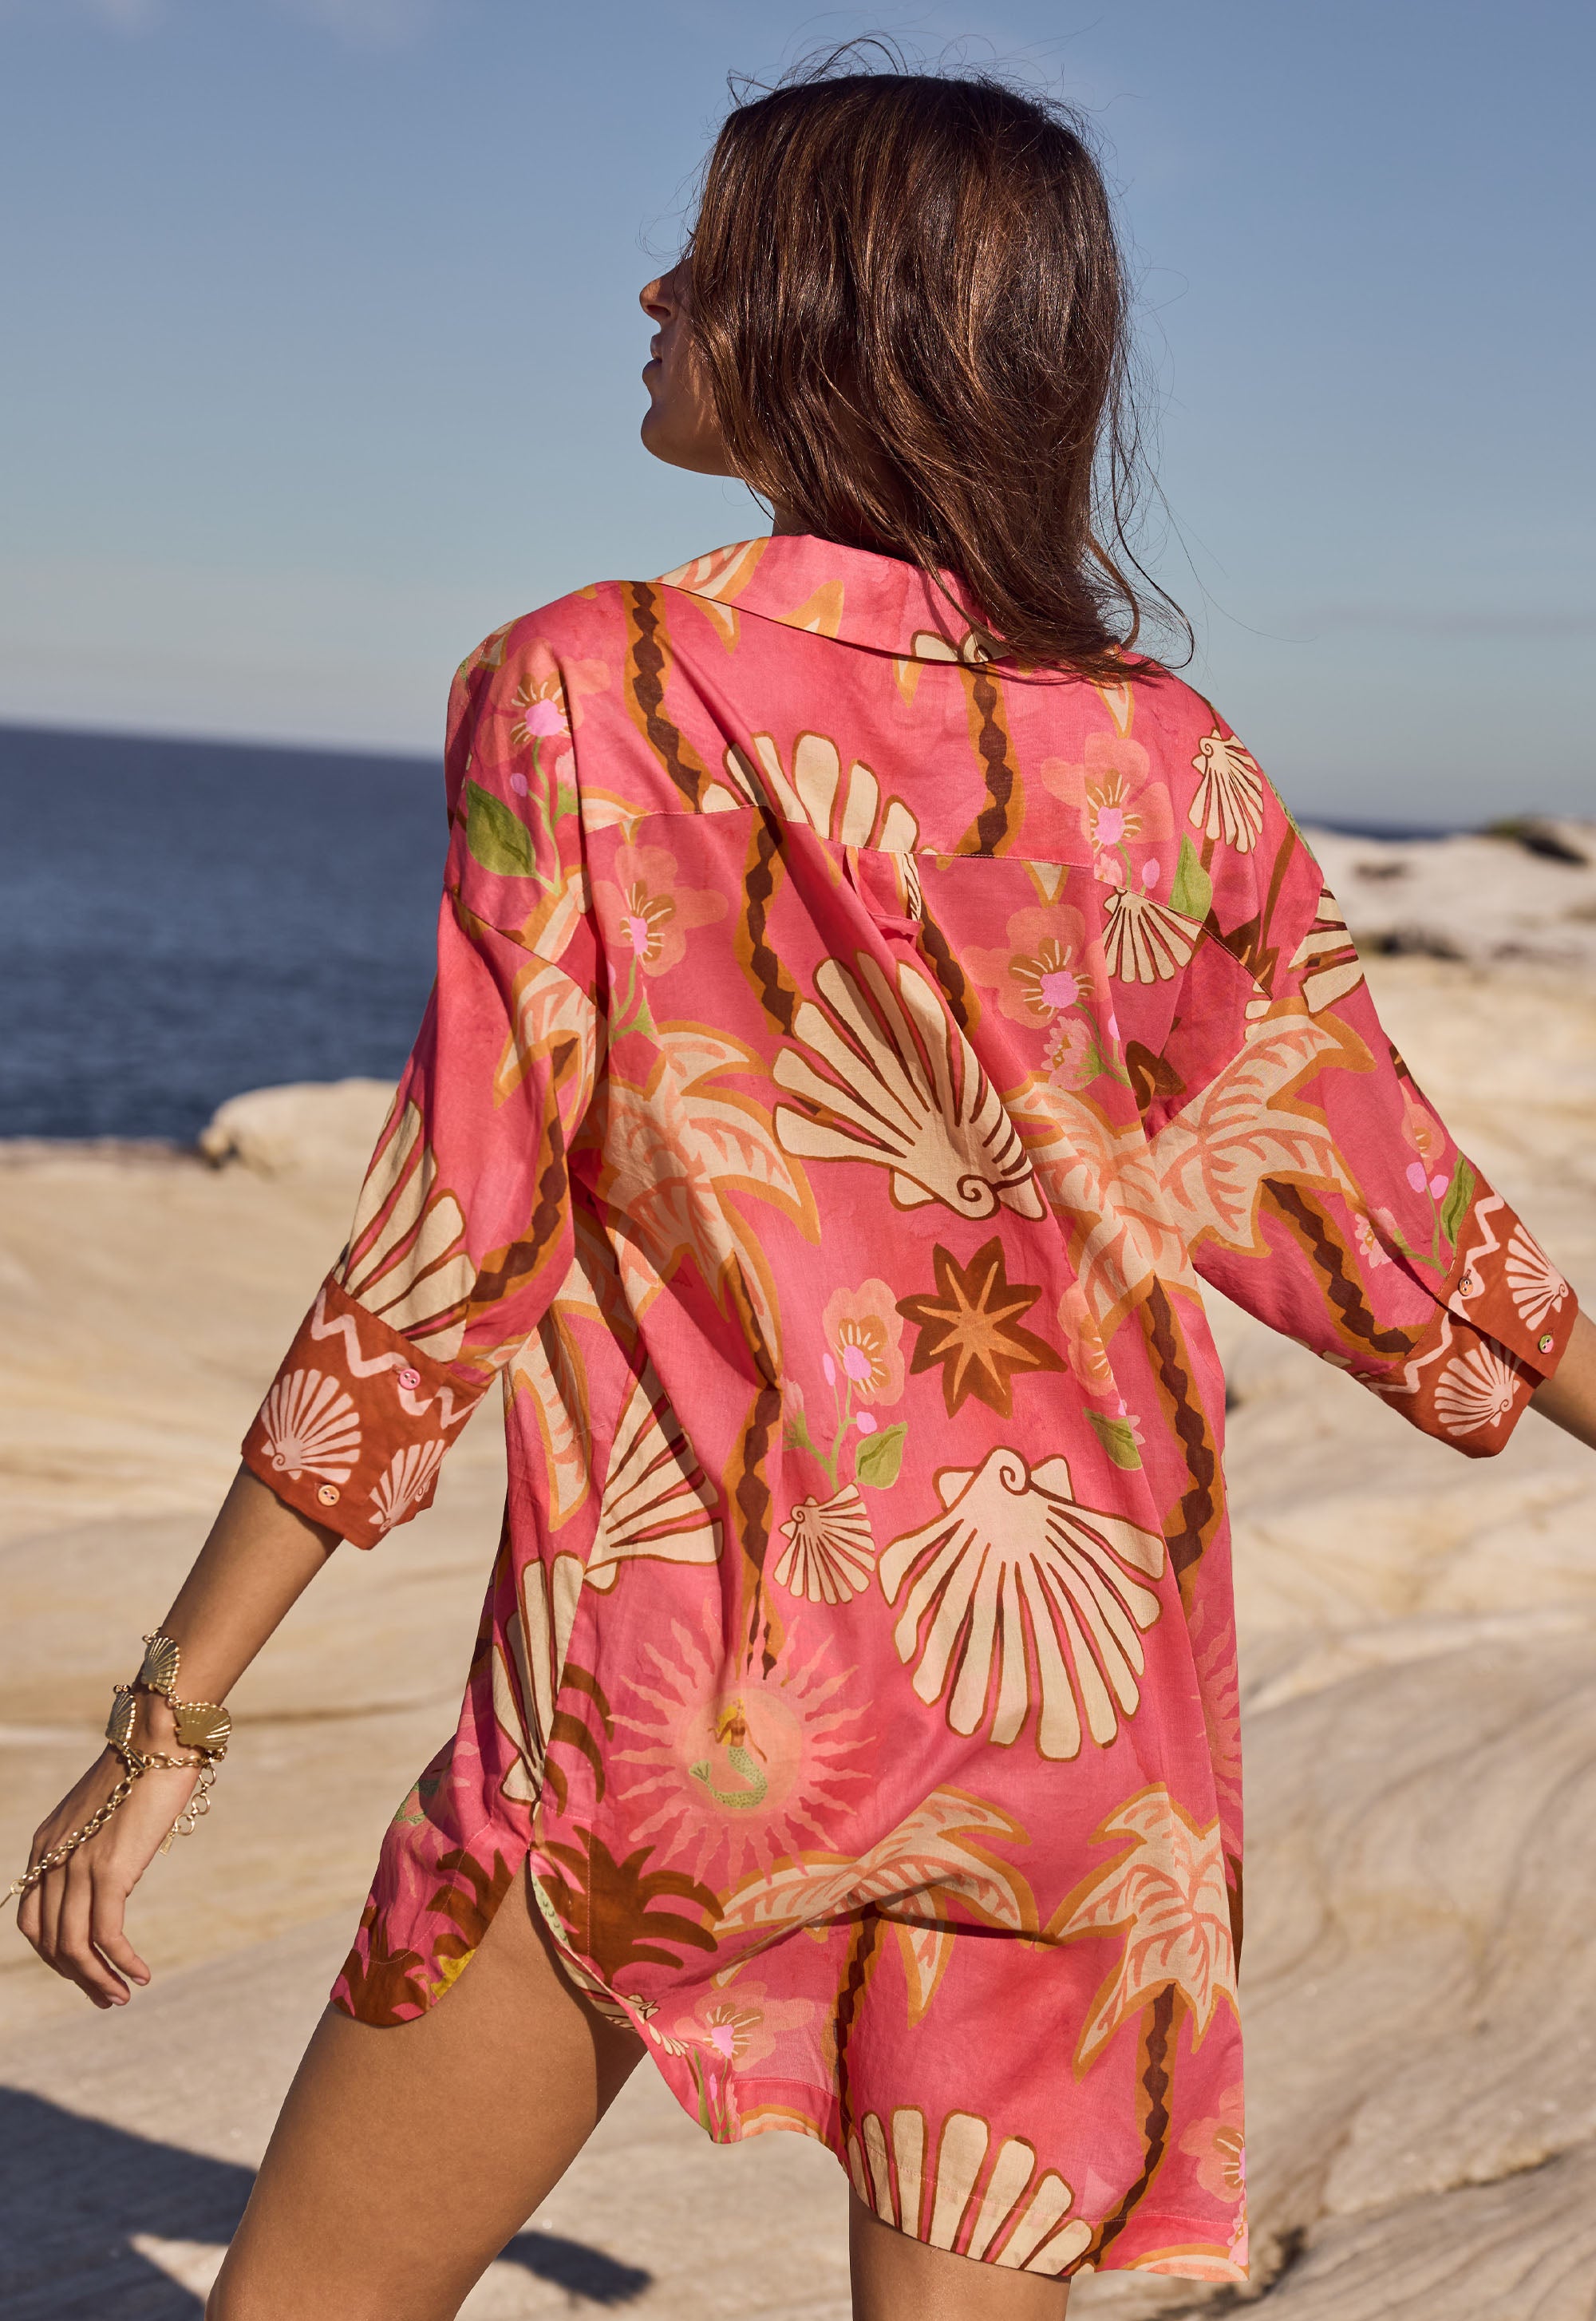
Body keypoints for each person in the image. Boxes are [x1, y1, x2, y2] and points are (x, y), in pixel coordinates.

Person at [13, 59, 1594, 2321]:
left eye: (716, 250)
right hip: (1077, 1712)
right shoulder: (1172, 762)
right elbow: (1399, 1227)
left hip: (695, 1685)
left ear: (838, 315)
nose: (656, 288)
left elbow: (454, 1242)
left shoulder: (585, 690)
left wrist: (166, 1715)